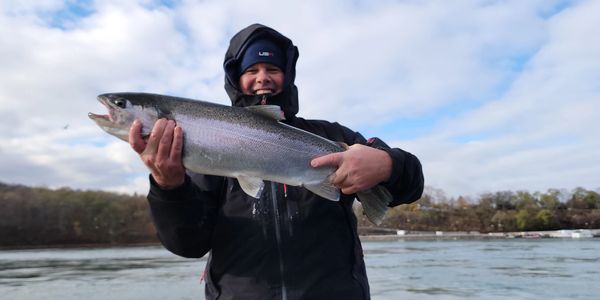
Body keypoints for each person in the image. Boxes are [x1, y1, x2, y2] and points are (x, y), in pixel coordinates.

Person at [129, 24, 424, 300]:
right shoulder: (207, 156)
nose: (262, 78)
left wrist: (388, 164)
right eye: (252, 70)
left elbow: (411, 184)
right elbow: (188, 245)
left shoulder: (335, 137)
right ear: (236, 78)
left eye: (272, 68)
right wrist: (169, 187)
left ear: (288, 74)